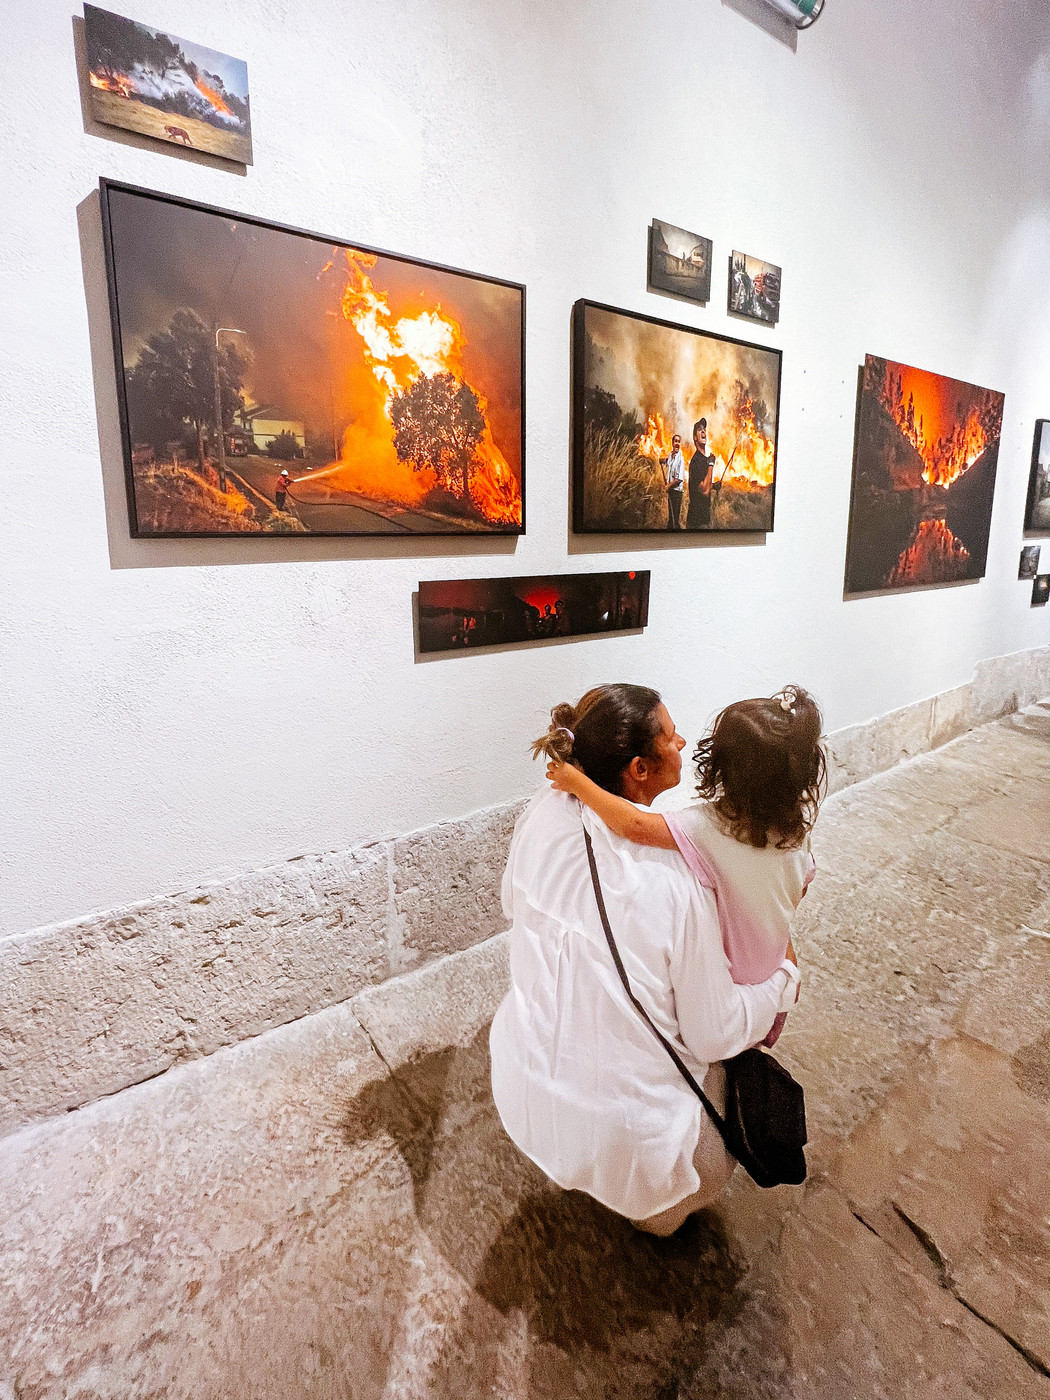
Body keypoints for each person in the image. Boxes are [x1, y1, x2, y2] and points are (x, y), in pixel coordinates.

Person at [489, 684, 800, 1236]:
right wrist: (782, 981)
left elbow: (514, 901)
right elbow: (713, 1033)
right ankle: (655, 1213)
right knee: (724, 1105)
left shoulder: (543, 810)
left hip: (523, 1083)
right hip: (629, 1140)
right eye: (672, 735)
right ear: (638, 768)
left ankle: (586, 1162)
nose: (683, 740)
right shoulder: (678, 882)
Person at [548, 686, 824, 1050]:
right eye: (670, 734)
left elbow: (635, 825)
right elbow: (795, 891)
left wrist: (576, 782)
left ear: (721, 766)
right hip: (773, 967)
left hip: (735, 987)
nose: (680, 741)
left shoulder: (707, 828)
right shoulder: (797, 836)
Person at [686, 419, 716, 530]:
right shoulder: (696, 461)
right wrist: (711, 465)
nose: (703, 432)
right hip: (697, 523)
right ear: (695, 438)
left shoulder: (703, 460)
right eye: (699, 430)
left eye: (704, 429)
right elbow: (704, 491)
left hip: (705, 519)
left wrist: (713, 486)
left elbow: (704, 485)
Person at [660, 434, 686, 529]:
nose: (677, 443)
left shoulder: (681, 459)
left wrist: (668, 486)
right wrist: (663, 460)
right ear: (672, 443)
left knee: (675, 519)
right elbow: (668, 462)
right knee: (671, 517)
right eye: (675, 441)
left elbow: (679, 479)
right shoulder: (671, 455)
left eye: (679, 441)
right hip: (671, 491)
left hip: (677, 492)